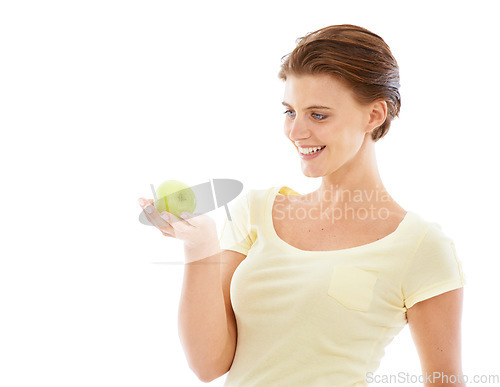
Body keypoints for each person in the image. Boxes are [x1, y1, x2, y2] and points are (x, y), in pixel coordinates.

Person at [138, 24, 466, 386]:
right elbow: (209, 364)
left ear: (374, 115)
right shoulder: (256, 213)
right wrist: (199, 245)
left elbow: (445, 382)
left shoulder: (421, 248)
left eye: (319, 115)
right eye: (290, 111)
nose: (296, 132)